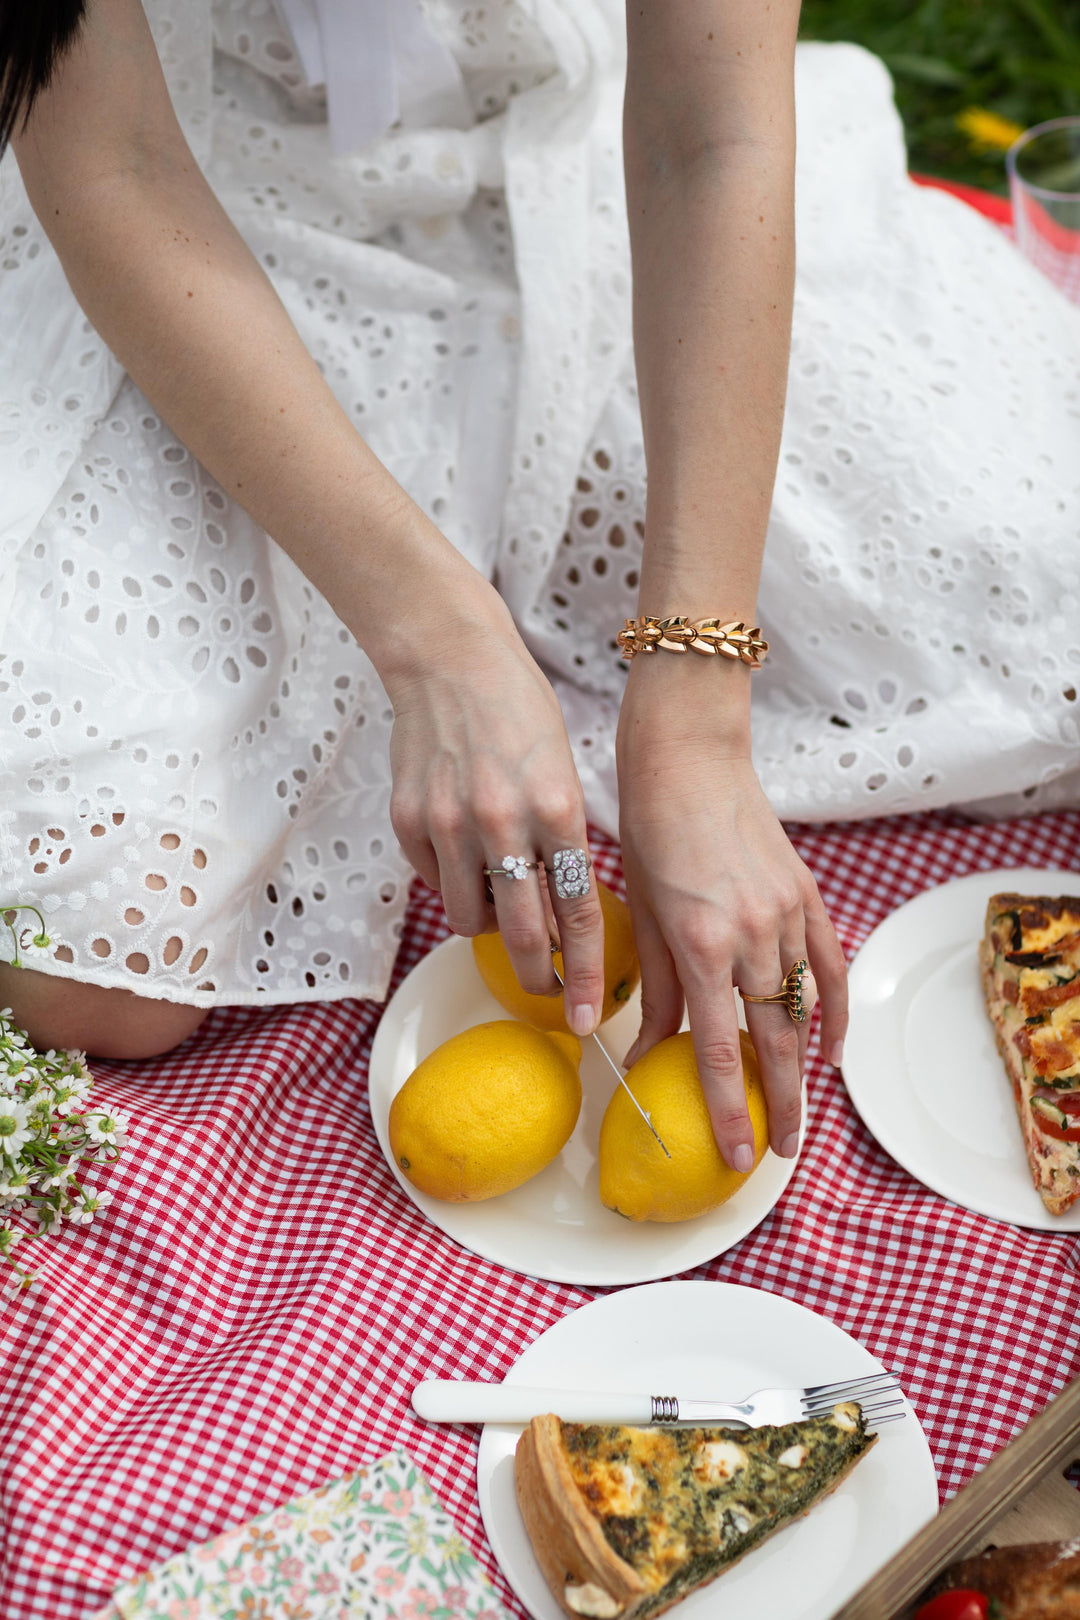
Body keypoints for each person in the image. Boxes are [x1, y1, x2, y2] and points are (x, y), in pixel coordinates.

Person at [1, 2, 1076, 1172]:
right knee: (99, 967)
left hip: (586, 168)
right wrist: (441, 643)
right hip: (207, 225)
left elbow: (711, 133)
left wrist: (695, 716)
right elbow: (115, 167)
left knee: (1037, 613)